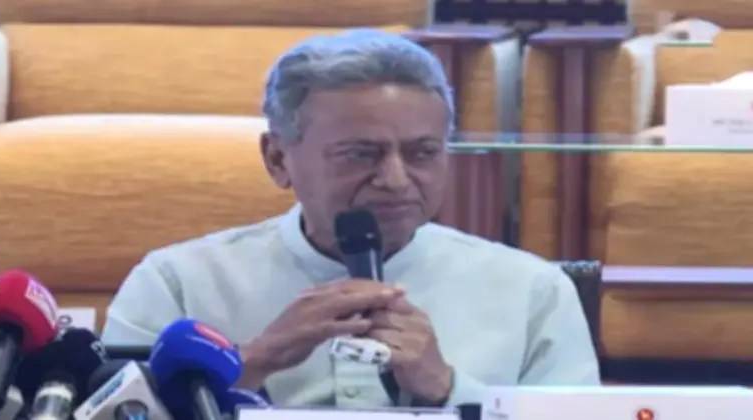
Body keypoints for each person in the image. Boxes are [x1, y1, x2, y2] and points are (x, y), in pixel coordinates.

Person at [102, 29, 600, 407]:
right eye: (361, 154)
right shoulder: (177, 283)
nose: (397, 180)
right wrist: (255, 360)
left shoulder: (531, 291)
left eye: (423, 153)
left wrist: (448, 390)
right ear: (277, 159)